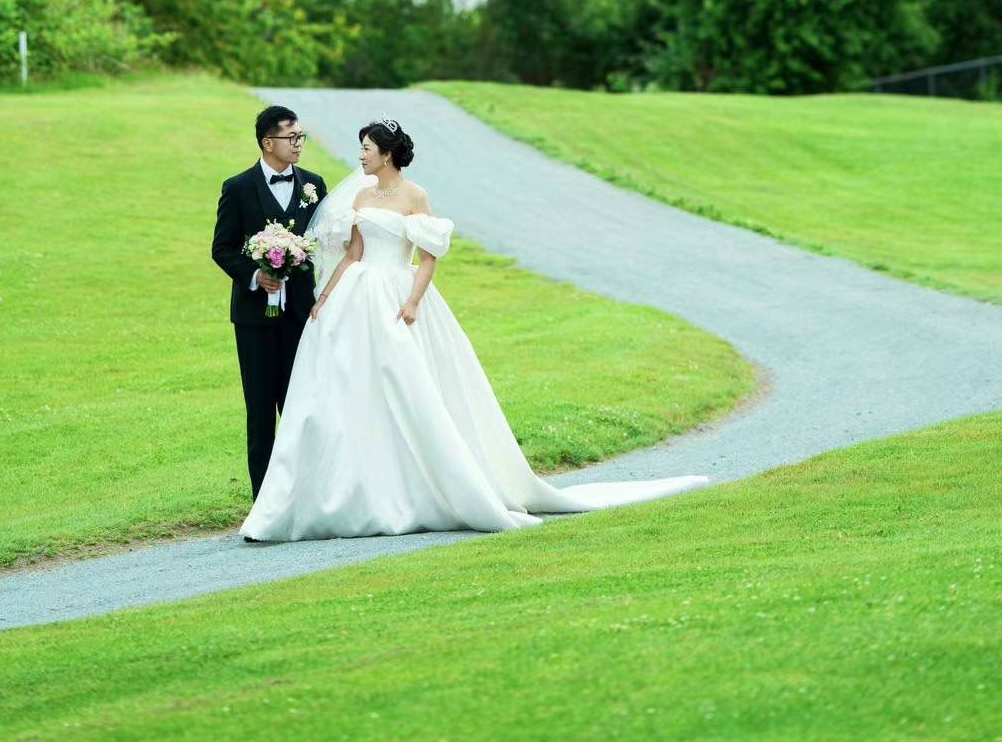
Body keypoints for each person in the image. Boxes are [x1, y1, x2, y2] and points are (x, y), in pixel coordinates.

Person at [241, 117, 706, 541]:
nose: (360, 155)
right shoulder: (360, 197)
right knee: (350, 387)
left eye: (366, 148)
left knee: (405, 381)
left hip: (398, 292)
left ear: (387, 153)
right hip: (357, 295)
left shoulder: (415, 196)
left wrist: (412, 301)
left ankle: (424, 485)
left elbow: (428, 257)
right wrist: (325, 297)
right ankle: (352, 488)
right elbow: (353, 254)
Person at [211, 105, 327, 499]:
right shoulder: (238, 188)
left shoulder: (314, 185)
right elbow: (222, 248)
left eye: (300, 137)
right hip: (254, 322)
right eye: (290, 137)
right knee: (260, 411)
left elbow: (325, 244)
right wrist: (255, 275)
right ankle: (264, 502)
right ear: (267, 142)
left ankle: (304, 497)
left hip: (301, 317)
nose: (298, 144)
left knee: (302, 408)